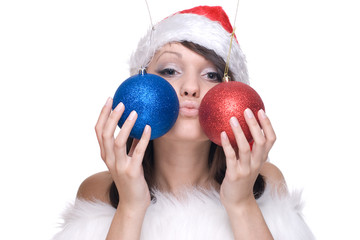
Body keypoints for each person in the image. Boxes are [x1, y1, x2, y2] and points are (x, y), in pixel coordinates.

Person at [52, 6, 315, 240]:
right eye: (170, 71)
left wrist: (242, 202)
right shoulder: (98, 191)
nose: (190, 88)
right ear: (140, 83)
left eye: (211, 74)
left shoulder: (266, 183)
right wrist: (131, 206)